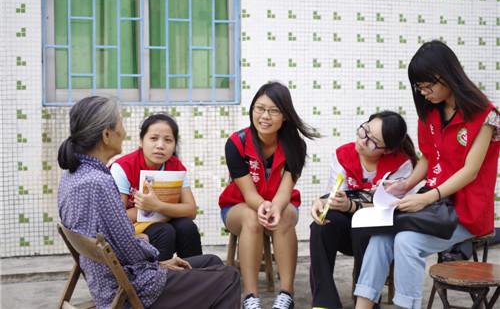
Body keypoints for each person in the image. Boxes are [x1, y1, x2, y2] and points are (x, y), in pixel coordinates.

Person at [354, 40, 499, 309]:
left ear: (445, 75)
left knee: (406, 242)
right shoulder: (431, 111)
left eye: (426, 85)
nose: (423, 93)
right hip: (435, 206)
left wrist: (426, 198)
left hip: (466, 211)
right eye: (418, 87)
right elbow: (429, 157)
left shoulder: (485, 115)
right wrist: (407, 184)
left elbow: (471, 171)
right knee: (380, 237)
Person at [57, 96, 240, 309]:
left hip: (118, 279)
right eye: (121, 123)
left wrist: (156, 260)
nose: (124, 132)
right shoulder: (99, 182)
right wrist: (154, 257)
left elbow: (122, 246)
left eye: (168, 140)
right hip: (131, 288)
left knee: (212, 263)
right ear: (107, 135)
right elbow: (130, 249)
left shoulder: (73, 176)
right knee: (229, 277)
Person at [219, 82, 319, 309]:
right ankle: (250, 297)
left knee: (283, 217)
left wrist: (274, 207)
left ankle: (287, 294)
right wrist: (263, 206)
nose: (265, 116)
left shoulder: (295, 146)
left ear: (285, 115)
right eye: (259, 108)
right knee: (251, 218)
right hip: (239, 205)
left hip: (281, 204)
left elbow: (285, 191)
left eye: (274, 111)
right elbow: (248, 193)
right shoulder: (237, 143)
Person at [309, 111, 417, 309]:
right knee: (321, 226)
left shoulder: (401, 164)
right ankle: (324, 302)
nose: (362, 140)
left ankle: (367, 300)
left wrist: (353, 205)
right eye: (364, 131)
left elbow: (393, 207)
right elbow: (335, 195)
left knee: (367, 224)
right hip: (346, 231)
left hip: (377, 233)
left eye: (372, 141)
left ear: (387, 149)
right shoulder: (343, 154)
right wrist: (322, 202)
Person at [110, 113, 202, 261]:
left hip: (164, 218)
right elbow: (117, 219)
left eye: (168, 140)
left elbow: (191, 210)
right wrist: (149, 208)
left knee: (187, 227)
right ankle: (158, 280)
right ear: (141, 141)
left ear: (174, 145)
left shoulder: (176, 167)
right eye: (153, 138)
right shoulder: (122, 167)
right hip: (133, 228)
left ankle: (196, 277)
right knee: (165, 231)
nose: (160, 145)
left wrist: (157, 206)